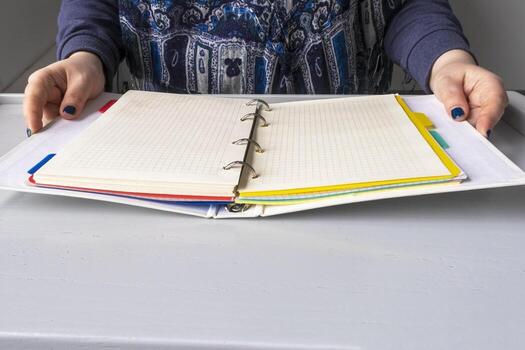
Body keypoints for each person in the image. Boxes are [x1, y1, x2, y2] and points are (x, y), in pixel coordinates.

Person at [24, 0, 507, 138]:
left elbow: (406, 5)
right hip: (168, 148)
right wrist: (83, 56)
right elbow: (97, 6)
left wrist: (447, 61)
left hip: (345, 139)